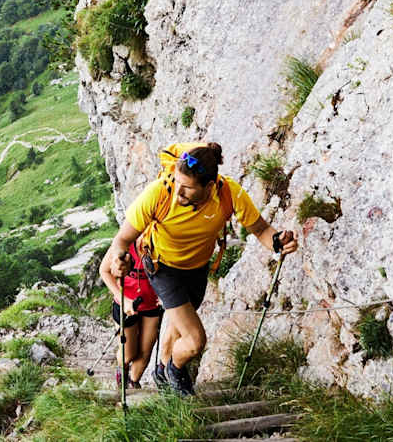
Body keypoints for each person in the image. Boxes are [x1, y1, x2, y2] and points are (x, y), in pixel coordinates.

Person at [103, 142, 298, 396]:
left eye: (187, 189)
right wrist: (119, 257)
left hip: (196, 269)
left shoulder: (229, 193)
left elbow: (260, 230)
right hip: (162, 268)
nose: (178, 193)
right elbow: (122, 239)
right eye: (177, 183)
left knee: (177, 327)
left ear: (208, 186)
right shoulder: (160, 193)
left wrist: (276, 241)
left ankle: (161, 371)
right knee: (195, 340)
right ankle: (175, 370)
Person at [98, 241, 163, 389]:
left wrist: (166, 293)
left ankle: (133, 384)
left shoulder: (163, 242)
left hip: (152, 304)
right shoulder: (125, 242)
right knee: (128, 355)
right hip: (125, 305)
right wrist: (122, 298)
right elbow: (104, 270)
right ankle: (123, 371)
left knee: (146, 351)